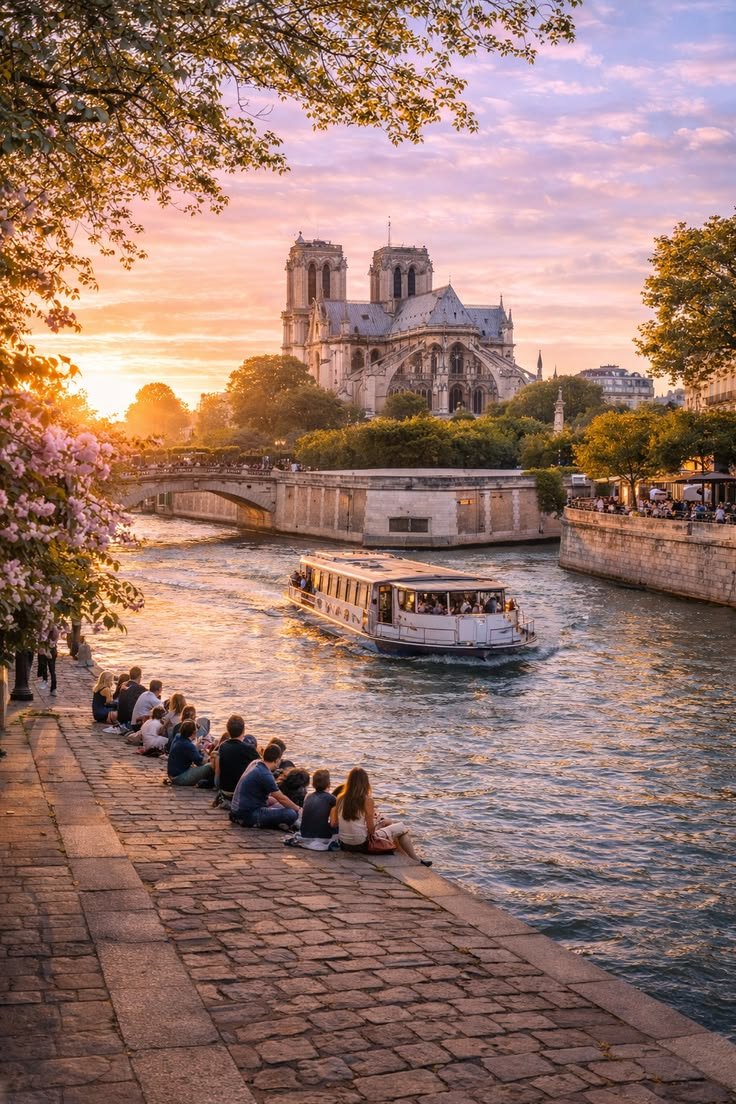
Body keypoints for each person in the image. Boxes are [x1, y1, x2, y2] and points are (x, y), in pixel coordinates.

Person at [329, 766, 430, 864]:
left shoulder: (340, 798)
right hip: (362, 845)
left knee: (389, 826)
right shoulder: (367, 800)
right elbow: (371, 830)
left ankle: (406, 856)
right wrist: (379, 824)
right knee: (402, 828)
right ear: (365, 782)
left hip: (345, 844)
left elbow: (337, 823)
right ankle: (417, 860)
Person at [229, 743, 299, 830]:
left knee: (275, 801)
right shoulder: (264, 774)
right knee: (291, 813)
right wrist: (299, 809)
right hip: (247, 815)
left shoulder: (255, 763)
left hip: (237, 810)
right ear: (277, 760)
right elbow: (282, 798)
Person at [213, 715, 260, 797]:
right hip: (240, 790)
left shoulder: (223, 746)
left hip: (225, 789)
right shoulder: (248, 748)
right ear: (243, 731)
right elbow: (263, 766)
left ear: (228, 730)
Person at [166, 720, 215, 786]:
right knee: (209, 766)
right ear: (194, 732)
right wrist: (211, 758)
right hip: (179, 777)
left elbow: (186, 751)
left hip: (173, 774)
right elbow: (200, 763)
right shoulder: (188, 745)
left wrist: (196, 748)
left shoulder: (178, 737)